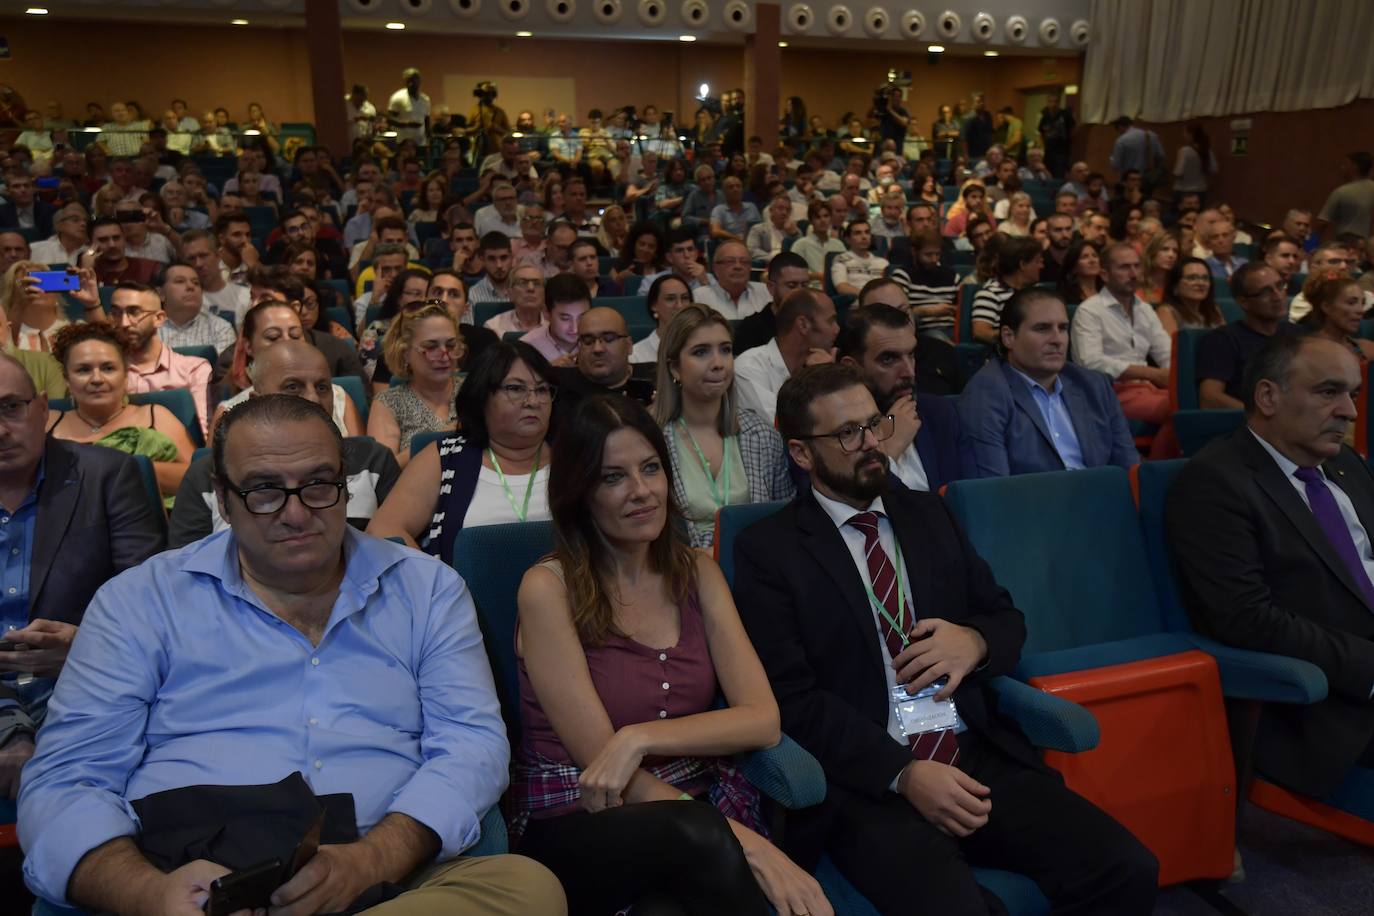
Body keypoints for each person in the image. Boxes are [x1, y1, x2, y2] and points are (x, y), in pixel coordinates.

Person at [18, 393, 565, 914]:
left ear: (346, 487)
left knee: (528, 889)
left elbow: (471, 744)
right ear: (223, 499)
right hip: (187, 876)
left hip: (389, 874)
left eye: (318, 484)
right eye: (263, 489)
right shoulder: (140, 600)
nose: (296, 513)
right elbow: (68, 777)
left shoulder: (427, 590)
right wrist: (146, 895)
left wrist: (372, 860)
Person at [734, 361, 1158, 914]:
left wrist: (974, 644)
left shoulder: (927, 513)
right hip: (869, 786)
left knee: (1126, 867)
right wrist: (902, 774)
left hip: (971, 753)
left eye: (875, 423)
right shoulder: (770, 551)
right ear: (801, 453)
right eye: (847, 433)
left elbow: (1006, 620)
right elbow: (792, 700)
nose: (871, 443)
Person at [512, 394, 825, 916]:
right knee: (701, 835)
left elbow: (763, 720)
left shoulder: (696, 572)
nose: (641, 492)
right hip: (577, 814)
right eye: (613, 477)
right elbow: (607, 771)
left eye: (651, 469)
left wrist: (638, 737)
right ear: (579, 492)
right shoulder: (548, 590)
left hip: (691, 805)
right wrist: (755, 848)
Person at [1166, 333, 1374, 800]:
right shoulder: (1216, 482)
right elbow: (1246, 619)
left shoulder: (1346, 465)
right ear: (1267, 396)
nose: (1350, 411)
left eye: (1353, 394)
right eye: (1328, 392)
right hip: (1331, 699)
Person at [0, 349, 163, 799]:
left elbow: (149, 605)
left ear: (41, 407)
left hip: (81, 678)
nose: (0, 429)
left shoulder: (107, 475)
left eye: (10, 407)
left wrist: (85, 648)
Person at [170, 341, 399, 547]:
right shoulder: (209, 473)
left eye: (322, 387)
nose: (312, 399)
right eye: (293, 386)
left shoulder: (374, 460)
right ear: (256, 400)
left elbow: (394, 554)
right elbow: (188, 569)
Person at [368, 341, 556, 556]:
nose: (532, 401)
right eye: (515, 388)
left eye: (542, 390)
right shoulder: (446, 458)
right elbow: (383, 529)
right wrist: (439, 581)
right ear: (482, 396)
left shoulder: (575, 457)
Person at [652, 304, 794, 548]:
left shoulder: (761, 435)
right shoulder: (652, 439)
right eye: (701, 352)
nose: (718, 363)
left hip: (754, 573)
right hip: (681, 574)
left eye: (726, 350)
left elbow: (787, 520)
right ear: (674, 367)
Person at [958, 288, 1137, 477]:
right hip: (1031, 504)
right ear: (1008, 337)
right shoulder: (986, 393)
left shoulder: (1094, 384)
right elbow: (993, 487)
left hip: (1103, 500)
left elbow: (1129, 469)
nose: (1057, 339)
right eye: (1042, 329)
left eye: (1062, 328)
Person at [46, 323, 194, 505]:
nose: (97, 379)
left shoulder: (156, 416)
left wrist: (125, 469)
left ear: (125, 374)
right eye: (83, 370)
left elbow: (198, 479)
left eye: (108, 368)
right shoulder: (47, 422)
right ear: (67, 379)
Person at [836, 303, 964, 491]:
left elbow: (962, 504)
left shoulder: (938, 413)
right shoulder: (830, 432)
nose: (909, 372)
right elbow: (846, 513)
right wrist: (887, 454)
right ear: (852, 367)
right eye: (888, 359)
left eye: (911, 354)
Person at [1071, 243, 1173, 452]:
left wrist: (1173, 375)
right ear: (1105, 274)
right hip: (1109, 392)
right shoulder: (1090, 310)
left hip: (1148, 389)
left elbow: (1167, 352)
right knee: (1179, 411)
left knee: (1194, 404)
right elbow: (1090, 362)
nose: (1134, 273)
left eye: (1137, 266)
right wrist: (1150, 373)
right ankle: (1153, 475)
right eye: (1124, 267)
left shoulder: (1144, 309)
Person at [215, 299, 363, 437]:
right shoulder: (229, 413)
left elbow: (361, 458)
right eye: (273, 337)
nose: (287, 342)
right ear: (248, 346)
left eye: (295, 335)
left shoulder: (338, 398)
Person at [109, 282, 213, 439]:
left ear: (159, 318)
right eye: (116, 313)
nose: (124, 323)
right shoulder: (104, 373)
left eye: (134, 312)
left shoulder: (193, 369)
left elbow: (202, 437)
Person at [368, 303, 464, 463]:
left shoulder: (475, 390)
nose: (445, 356)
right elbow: (383, 475)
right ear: (404, 352)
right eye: (431, 347)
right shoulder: (389, 402)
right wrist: (444, 437)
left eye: (450, 345)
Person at [1195, 262, 1297, 410]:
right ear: (1244, 302)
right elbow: (1209, 398)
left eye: (1280, 286)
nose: (1278, 296)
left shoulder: (1299, 335)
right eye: (1265, 292)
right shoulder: (1223, 340)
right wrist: (1262, 416)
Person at [734, 289, 838, 424]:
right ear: (803, 325)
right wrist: (815, 381)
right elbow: (783, 427)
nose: (837, 329)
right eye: (831, 321)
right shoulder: (748, 367)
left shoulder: (822, 364)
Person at [555, 308, 655, 409]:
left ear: (628, 345)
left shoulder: (659, 376)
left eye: (608, 339)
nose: (597, 349)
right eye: (588, 340)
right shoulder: (557, 385)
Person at [970, 235, 1044, 347]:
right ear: (1023, 264)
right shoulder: (990, 294)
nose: (1042, 266)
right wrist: (1019, 336)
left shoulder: (1037, 293)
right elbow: (981, 332)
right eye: (1038, 261)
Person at [1299, 274, 1374, 364]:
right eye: (1351, 303)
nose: (1361, 310)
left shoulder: (1368, 348)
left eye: (1363, 303)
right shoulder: (1306, 352)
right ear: (1326, 307)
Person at [692, 241, 771, 321]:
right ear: (715, 268)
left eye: (744, 262)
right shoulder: (699, 298)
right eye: (730, 261)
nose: (738, 266)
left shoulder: (767, 292)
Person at [521, 273, 590, 365]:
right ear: (546, 313)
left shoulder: (602, 343)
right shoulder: (527, 348)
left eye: (582, 318)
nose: (575, 328)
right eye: (565, 318)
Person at [631, 274, 694, 366]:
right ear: (654, 305)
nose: (680, 306)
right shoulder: (636, 356)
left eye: (685, 298)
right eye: (670, 299)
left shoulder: (703, 348)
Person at [1156, 256, 1225, 336]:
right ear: (1175, 286)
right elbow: (1172, 347)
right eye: (1192, 278)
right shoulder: (1167, 312)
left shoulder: (1214, 310)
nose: (1201, 283)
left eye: (1205, 278)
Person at [1315, 151, 1374, 240]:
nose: (1342, 168)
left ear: (1354, 167)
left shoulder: (1342, 192)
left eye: (1345, 165)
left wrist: (1309, 247)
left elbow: (1322, 223)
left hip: (1345, 244)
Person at [484, 259, 547, 337]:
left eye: (537, 283)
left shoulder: (554, 327)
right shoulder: (494, 327)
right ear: (510, 292)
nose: (531, 288)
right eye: (523, 283)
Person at [790, 200, 846, 286]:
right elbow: (794, 273)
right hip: (810, 289)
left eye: (826, 216)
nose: (823, 220)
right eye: (817, 217)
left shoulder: (839, 245)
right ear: (811, 221)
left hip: (836, 288)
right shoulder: (800, 245)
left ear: (831, 218)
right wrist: (818, 276)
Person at [830, 219, 889, 298]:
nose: (864, 237)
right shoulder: (841, 259)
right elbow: (841, 287)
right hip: (855, 306)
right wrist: (869, 297)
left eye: (867, 232)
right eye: (857, 233)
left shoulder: (883, 263)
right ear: (848, 239)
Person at [746, 194, 801, 264]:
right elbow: (752, 250)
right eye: (780, 208)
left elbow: (802, 251)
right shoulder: (758, 229)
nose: (784, 213)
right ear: (771, 210)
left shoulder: (795, 230)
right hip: (768, 265)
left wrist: (793, 234)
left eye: (788, 210)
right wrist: (773, 259)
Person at [1173, 122, 1217, 206]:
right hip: (1201, 191)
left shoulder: (1184, 151)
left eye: (1185, 132)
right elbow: (1214, 169)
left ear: (1191, 134)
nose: (1183, 135)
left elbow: (1178, 172)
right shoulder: (1206, 151)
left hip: (1183, 191)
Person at [388, 67, 432, 144]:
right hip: (403, 142)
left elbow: (427, 120)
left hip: (420, 142)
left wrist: (429, 137)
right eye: (408, 81)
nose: (410, 84)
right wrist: (407, 124)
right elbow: (390, 119)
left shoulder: (425, 99)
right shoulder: (398, 97)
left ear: (419, 81)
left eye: (413, 80)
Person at [469, 233, 516, 305]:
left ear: (511, 258)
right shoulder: (473, 294)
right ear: (483, 260)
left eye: (504, 258)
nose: (499, 265)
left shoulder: (524, 290)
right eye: (492, 259)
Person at [1054, 241, 1104, 307]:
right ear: (1074, 268)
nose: (1092, 260)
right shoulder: (1064, 297)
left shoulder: (1108, 291)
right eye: (1085, 257)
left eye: (1095, 256)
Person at [1139, 231, 1181, 305]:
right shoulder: (1138, 282)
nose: (1171, 255)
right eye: (1165, 249)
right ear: (1152, 252)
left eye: (1175, 251)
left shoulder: (1178, 285)